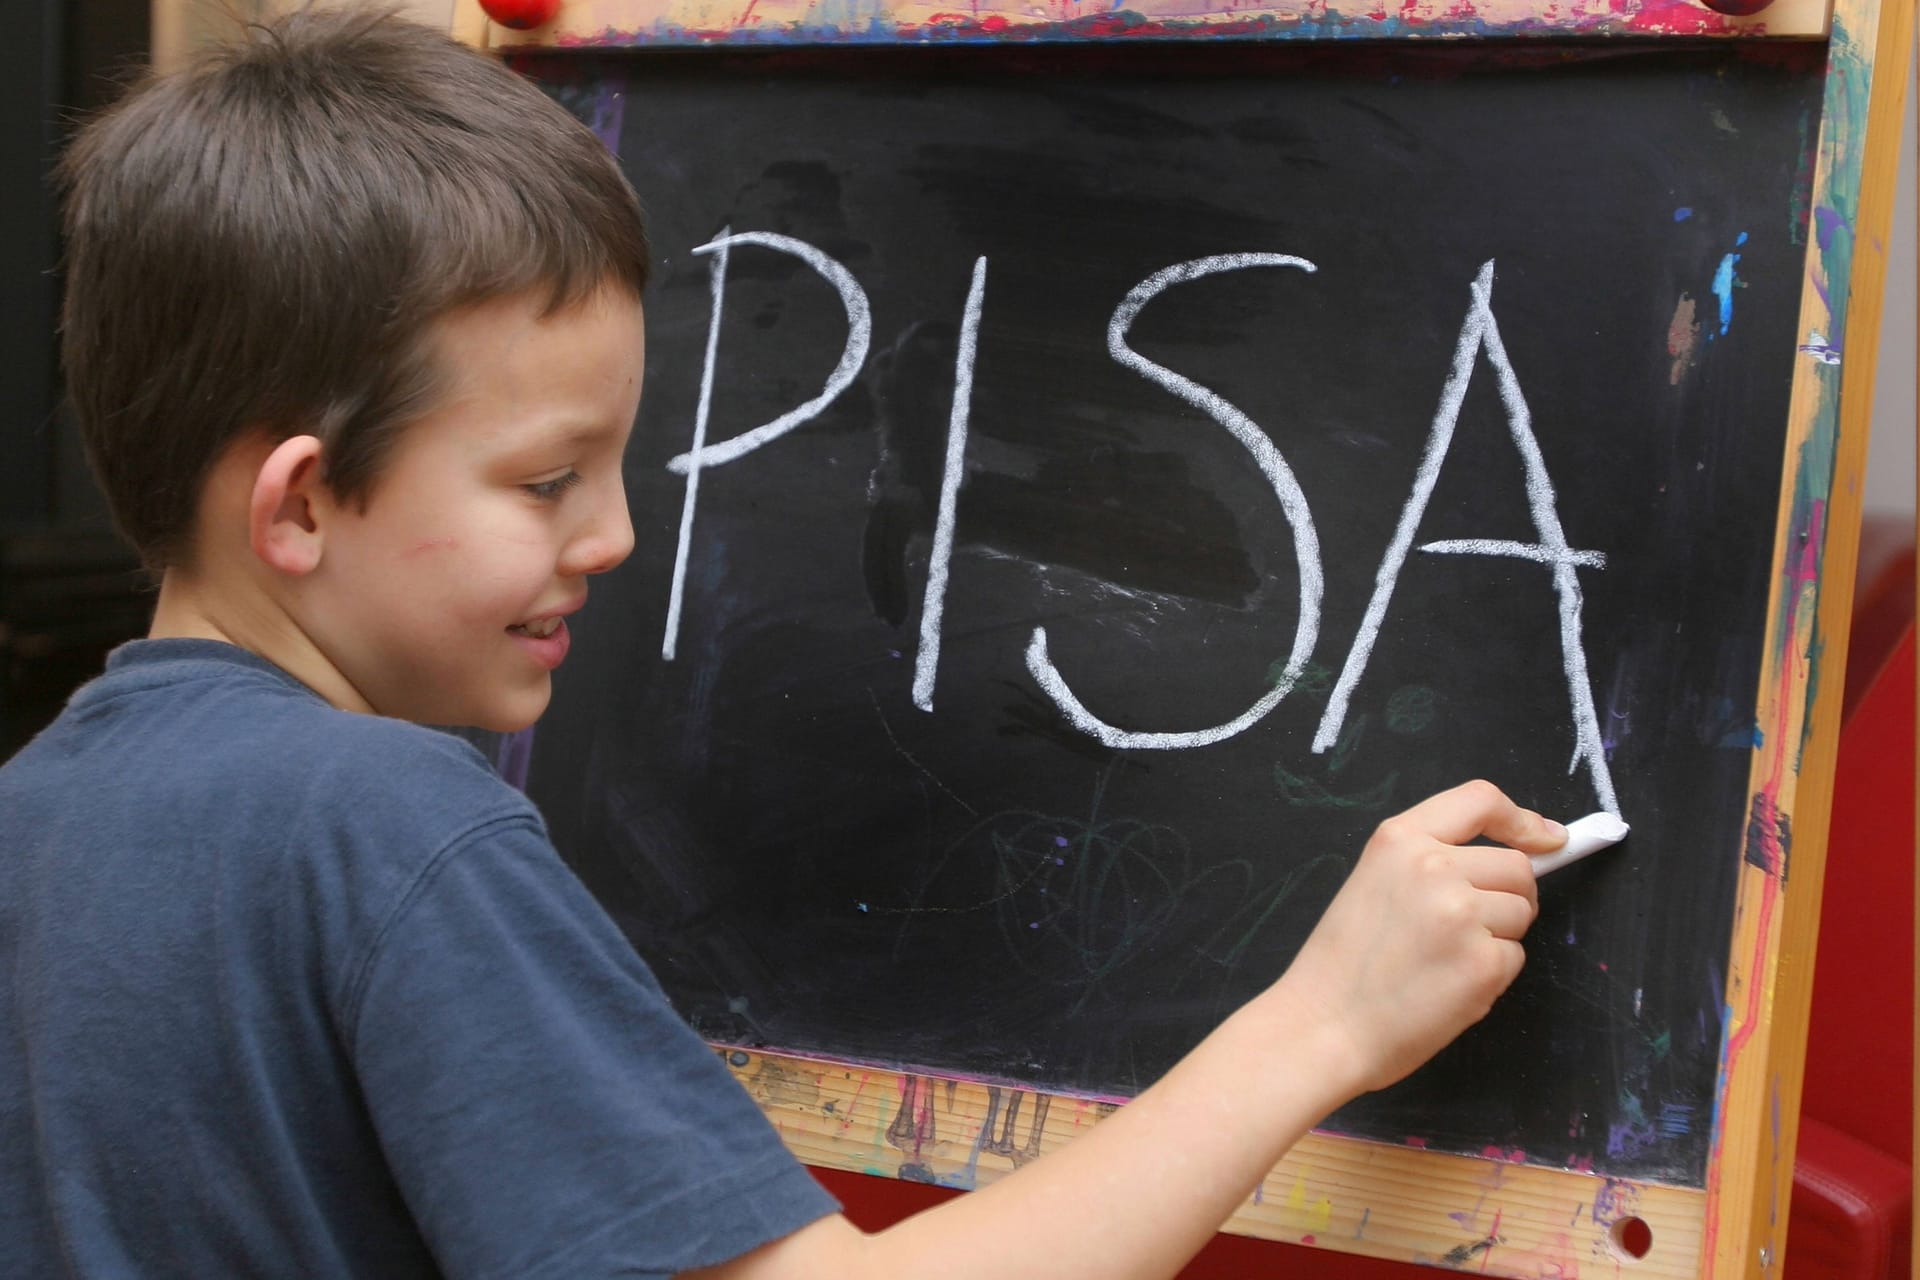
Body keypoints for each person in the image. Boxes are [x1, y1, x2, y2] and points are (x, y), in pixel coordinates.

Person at [0, 8, 1567, 1278]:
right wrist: (1322, 1024)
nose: (612, 534)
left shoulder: (37, 823)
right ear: (298, 503)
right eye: (545, 481)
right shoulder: (387, 832)